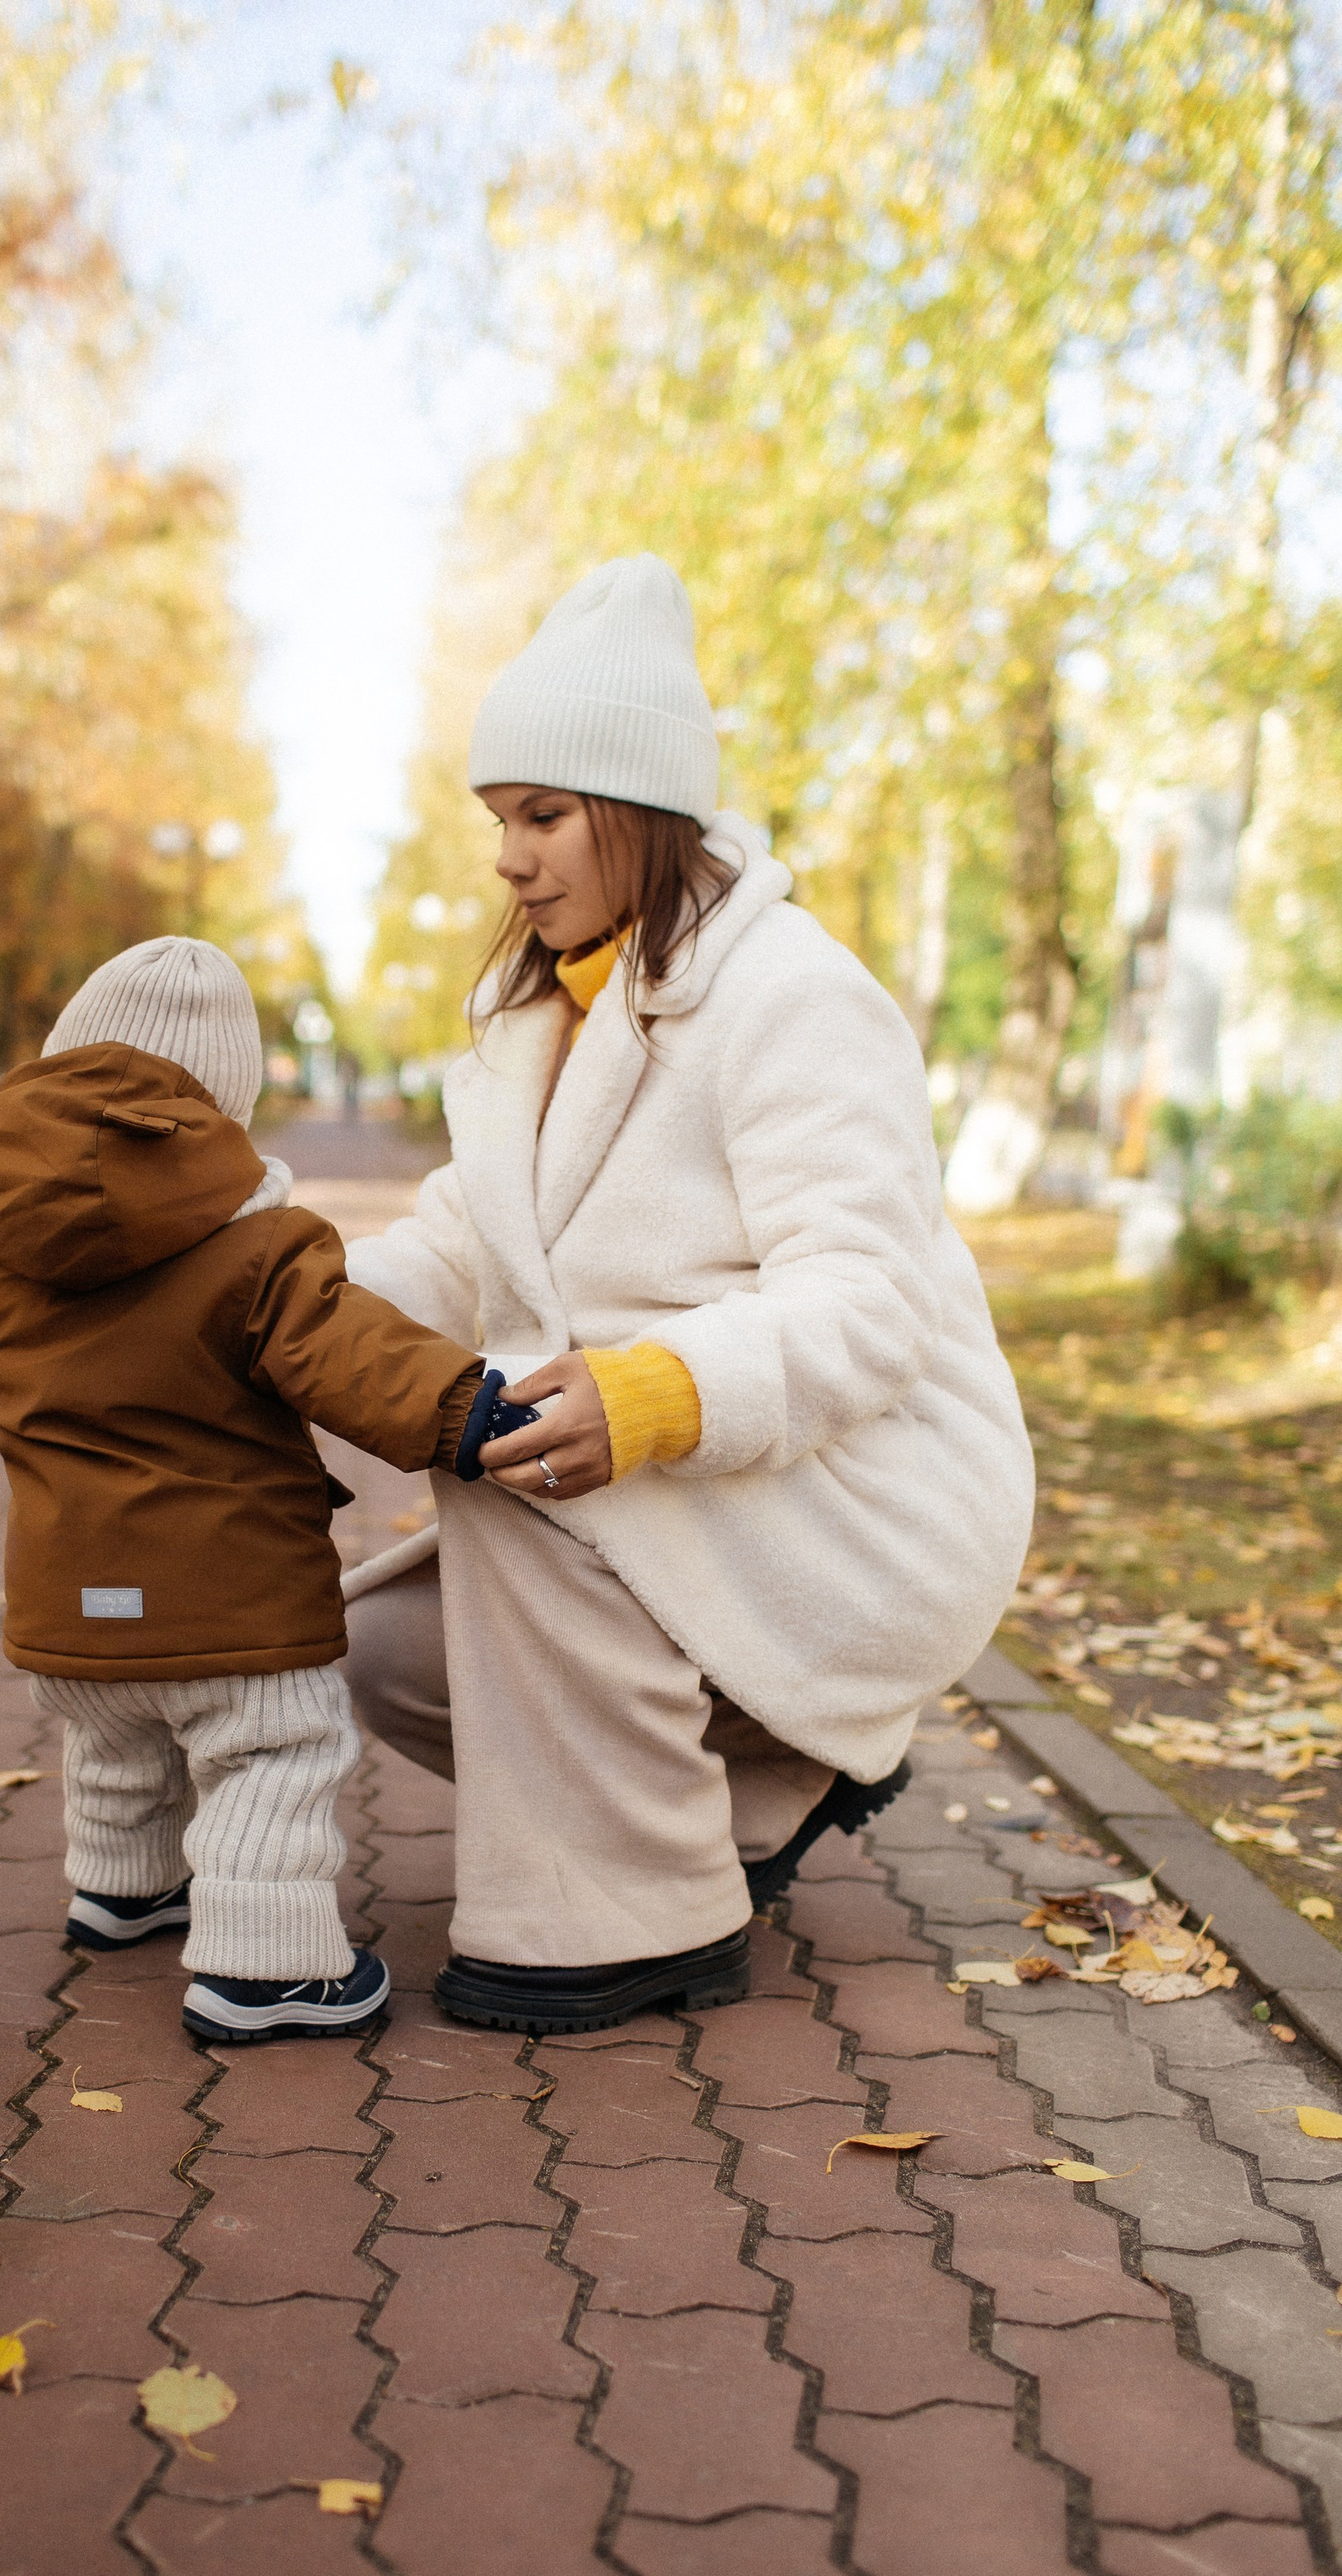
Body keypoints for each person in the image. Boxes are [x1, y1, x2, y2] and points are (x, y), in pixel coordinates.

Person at [341, 555, 1035, 2037]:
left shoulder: (796, 996)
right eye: (497, 821)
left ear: (640, 805)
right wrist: (276, 1307)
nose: (509, 859)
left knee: (507, 1454)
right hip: (708, 1495)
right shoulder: (533, 1015)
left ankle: (638, 1922)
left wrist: (658, 1396)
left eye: (543, 816)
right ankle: (760, 1788)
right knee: (383, 1654)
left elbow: (866, 1304)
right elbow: (462, 1244)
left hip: (871, 1493)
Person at [0, 937, 488, 2046]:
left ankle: (123, 1891)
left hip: (65, 1604)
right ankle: (268, 1972)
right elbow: (354, 1357)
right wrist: (467, 1409)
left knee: (117, 1737)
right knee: (270, 1753)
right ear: (220, 1108)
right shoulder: (260, 1254)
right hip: (231, 1606)